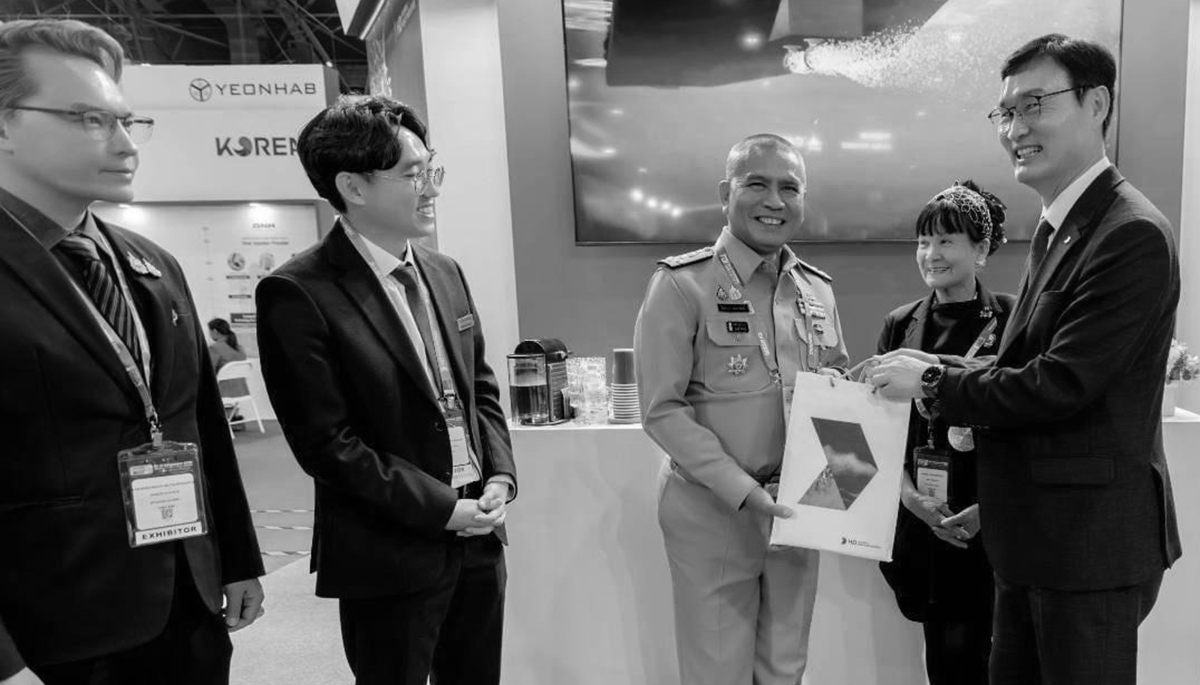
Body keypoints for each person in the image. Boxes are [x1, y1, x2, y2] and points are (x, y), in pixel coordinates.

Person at [868, 34, 1181, 685]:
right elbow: (1026, 366)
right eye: (1005, 112)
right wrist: (935, 367)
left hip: (1085, 546)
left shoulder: (1128, 232)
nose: (1015, 129)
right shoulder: (1061, 228)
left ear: (1097, 104)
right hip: (1034, 542)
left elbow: (1059, 382)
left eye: (1035, 105)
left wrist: (933, 378)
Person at [0, 19, 264, 685]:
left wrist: (237, 558)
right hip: (54, 628)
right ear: (4, 125)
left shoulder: (153, 263)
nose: (124, 143)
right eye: (89, 119)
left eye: (126, 120)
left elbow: (201, 423)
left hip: (188, 598)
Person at [255, 95, 516, 685]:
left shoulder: (444, 271)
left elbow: (479, 388)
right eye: (412, 174)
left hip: (479, 532)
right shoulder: (298, 291)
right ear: (353, 186)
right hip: (390, 546)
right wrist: (442, 509)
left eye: (431, 168)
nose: (431, 188)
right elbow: (327, 444)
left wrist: (500, 474)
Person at [634, 133, 849, 685]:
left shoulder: (816, 290)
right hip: (713, 508)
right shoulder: (682, 284)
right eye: (757, 184)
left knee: (785, 666)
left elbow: (838, 390)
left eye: (789, 188)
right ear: (725, 193)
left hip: (797, 508)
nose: (774, 201)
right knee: (718, 670)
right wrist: (744, 491)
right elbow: (661, 409)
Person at [874, 180, 1015, 685]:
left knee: (1003, 658)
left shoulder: (1014, 318)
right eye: (923, 241)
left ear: (981, 250)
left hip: (996, 521)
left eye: (946, 241)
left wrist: (988, 510)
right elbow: (881, 430)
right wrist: (911, 499)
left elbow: (1028, 420)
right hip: (926, 520)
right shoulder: (900, 325)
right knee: (944, 656)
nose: (930, 254)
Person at [207, 318, 249, 401]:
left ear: (215, 331)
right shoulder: (240, 349)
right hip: (242, 391)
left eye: (210, 331)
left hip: (222, 392)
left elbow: (209, 372)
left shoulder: (215, 348)